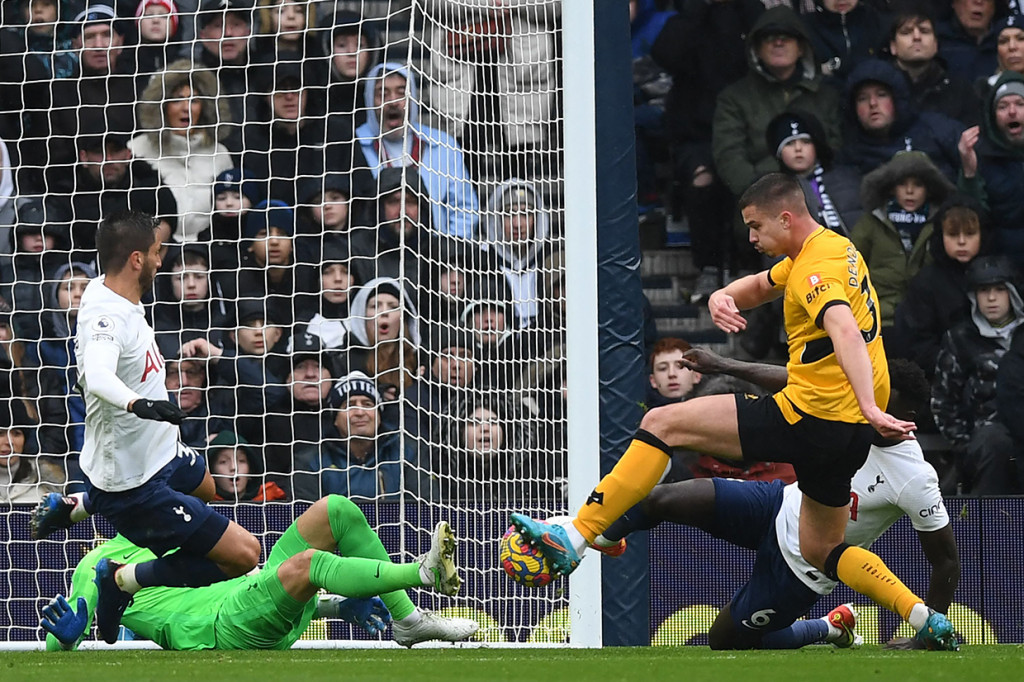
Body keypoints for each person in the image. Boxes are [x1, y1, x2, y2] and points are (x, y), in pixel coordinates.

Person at [509, 173, 958, 651]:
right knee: (822, 548)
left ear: (785, 218)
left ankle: (575, 536)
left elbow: (844, 330)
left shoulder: (815, 271)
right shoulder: (832, 249)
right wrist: (723, 296)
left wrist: (871, 404)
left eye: (755, 226)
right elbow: (762, 285)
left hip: (809, 417)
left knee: (662, 423)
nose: (750, 237)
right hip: (844, 435)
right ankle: (920, 617)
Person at [593, 349, 960, 651]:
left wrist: (923, 636)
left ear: (906, 418)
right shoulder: (850, 403)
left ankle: (827, 628)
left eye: (882, 398)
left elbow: (945, 562)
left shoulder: (915, 476)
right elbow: (798, 382)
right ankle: (587, 538)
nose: (868, 402)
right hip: (774, 504)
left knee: (724, 640)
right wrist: (723, 363)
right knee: (663, 499)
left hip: (804, 566)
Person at [29, 211, 262, 646]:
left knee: (208, 488)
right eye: (158, 253)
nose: (163, 260)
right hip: (137, 484)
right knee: (245, 556)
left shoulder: (110, 288)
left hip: (164, 450)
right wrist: (141, 404)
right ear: (137, 259)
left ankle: (81, 504)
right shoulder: (106, 318)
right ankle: (121, 580)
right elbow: (98, 377)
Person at [40, 495, 478, 650]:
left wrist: (334, 606)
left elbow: (242, 568)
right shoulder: (93, 567)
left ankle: (409, 623)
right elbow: (65, 644)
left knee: (336, 511)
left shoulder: (176, 520)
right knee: (309, 565)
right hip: (223, 627)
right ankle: (423, 572)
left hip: (255, 595)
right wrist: (63, 639)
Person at [352, 62, 479, 239]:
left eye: (401, 92)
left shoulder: (443, 145)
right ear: (369, 99)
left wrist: (446, 255)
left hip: (433, 258)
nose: (393, 102)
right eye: (382, 94)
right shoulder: (353, 144)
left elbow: (464, 209)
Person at [931, 255, 1024, 494]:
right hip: (985, 437)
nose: (991, 298)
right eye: (984, 290)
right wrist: (965, 444)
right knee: (995, 445)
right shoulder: (960, 338)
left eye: (999, 289)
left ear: (1012, 293)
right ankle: (991, 527)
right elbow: (944, 400)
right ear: (974, 296)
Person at [888, 194, 995, 378]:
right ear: (940, 236)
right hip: (943, 378)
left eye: (970, 234)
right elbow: (917, 344)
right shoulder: (926, 282)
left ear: (982, 235)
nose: (961, 241)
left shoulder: (999, 277)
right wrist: (955, 366)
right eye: (953, 234)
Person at [129, 58, 235, 243]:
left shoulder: (220, 153)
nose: (186, 108)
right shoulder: (138, 148)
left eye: (194, 101)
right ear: (162, 105)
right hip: (156, 248)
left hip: (207, 247)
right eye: (177, 100)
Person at [849, 150, 956, 332]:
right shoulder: (872, 222)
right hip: (877, 317)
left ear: (929, 189)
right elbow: (848, 267)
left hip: (927, 321)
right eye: (902, 184)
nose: (909, 191)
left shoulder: (940, 224)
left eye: (918, 184)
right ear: (891, 187)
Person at [292, 371, 422, 502]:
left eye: (367, 404)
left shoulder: (407, 452)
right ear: (335, 419)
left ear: (379, 416)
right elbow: (308, 519)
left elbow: (426, 510)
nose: (360, 412)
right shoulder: (311, 462)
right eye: (350, 405)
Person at [839, 58, 965, 181]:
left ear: (897, 99)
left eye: (881, 95)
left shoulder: (936, 129)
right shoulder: (849, 156)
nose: (872, 103)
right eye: (862, 98)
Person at [958, 70, 1024, 265]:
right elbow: (973, 218)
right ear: (992, 117)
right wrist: (969, 173)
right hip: (999, 266)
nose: (1012, 112)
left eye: (1020, 104)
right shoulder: (980, 157)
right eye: (1003, 106)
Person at [886, 4, 981, 126]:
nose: (917, 37)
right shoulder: (880, 90)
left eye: (924, 31)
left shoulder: (961, 92)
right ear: (893, 46)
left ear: (936, 44)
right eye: (907, 32)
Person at [208, 430, 286, 502]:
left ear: (251, 469)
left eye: (241, 461)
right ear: (211, 470)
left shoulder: (272, 498)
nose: (233, 467)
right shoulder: (202, 505)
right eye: (223, 462)